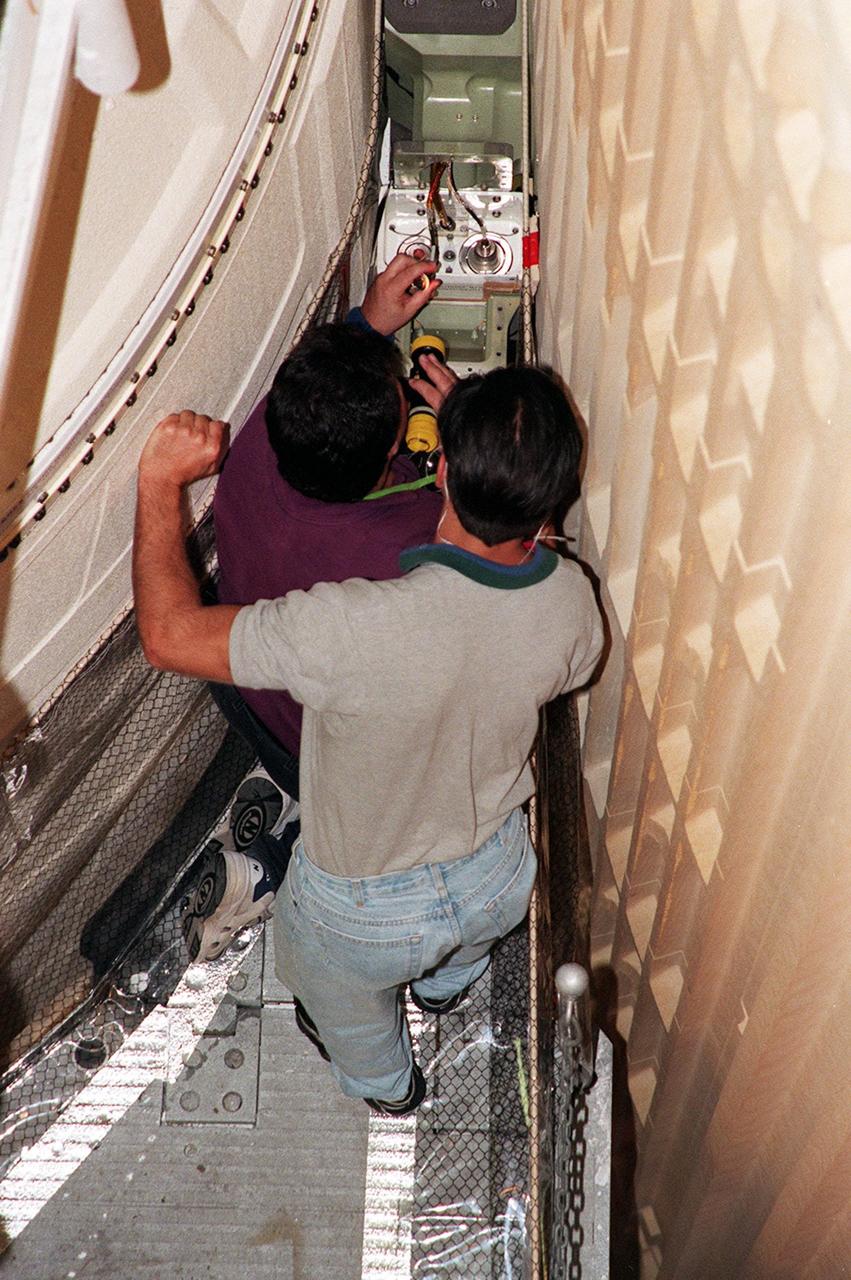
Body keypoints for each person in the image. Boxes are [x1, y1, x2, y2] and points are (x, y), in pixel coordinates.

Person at [132, 364, 604, 1114]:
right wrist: (494, 455)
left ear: (440, 470)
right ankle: (443, 992)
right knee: (459, 953)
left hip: (359, 915)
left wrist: (159, 481)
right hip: (495, 876)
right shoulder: (572, 601)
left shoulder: (348, 626)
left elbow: (168, 636)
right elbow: (559, 663)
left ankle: (391, 1087)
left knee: (347, 1013)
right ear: (549, 499)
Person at [182, 253, 449, 961]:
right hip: (333, 764)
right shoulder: (410, 549)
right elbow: (510, 559)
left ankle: (280, 834)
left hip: (253, 703)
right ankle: (295, 859)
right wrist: (470, 447)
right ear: (391, 448)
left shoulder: (259, 445)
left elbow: (308, 392)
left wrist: (366, 322)